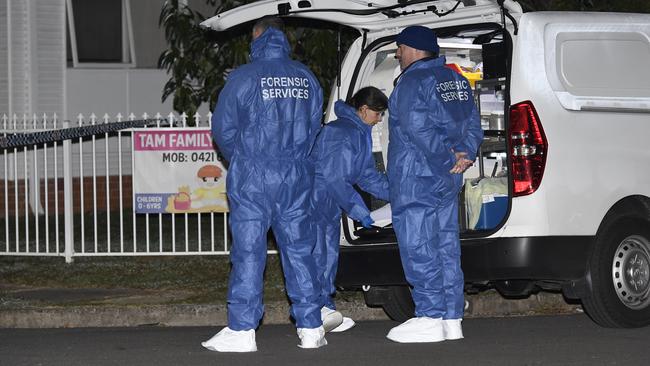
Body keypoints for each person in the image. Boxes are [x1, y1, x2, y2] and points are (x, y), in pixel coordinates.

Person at [202, 16, 326, 352]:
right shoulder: (306, 77)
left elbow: (223, 130)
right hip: (296, 173)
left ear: (257, 39)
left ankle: (242, 331)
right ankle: (311, 327)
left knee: (249, 252)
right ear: (283, 40)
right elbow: (315, 124)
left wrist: (242, 158)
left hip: (254, 174)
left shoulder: (243, 77)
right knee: (300, 250)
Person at [385, 26, 483, 343]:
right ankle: (451, 318)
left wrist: (444, 158)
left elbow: (418, 129)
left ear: (413, 49)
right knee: (445, 247)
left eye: (400, 48)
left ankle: (429, 316)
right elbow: (473, 122)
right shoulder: (455, 79)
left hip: (417, 176)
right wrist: (463, 157)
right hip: (448, 177)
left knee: (419, 246)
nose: (398, 54)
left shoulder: (411, 82)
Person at [310, 87, 390, 333]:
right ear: (364, 110)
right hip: (315, 200)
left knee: (327, 256)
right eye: (378, 114)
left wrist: (399, 194)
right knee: (317, 255)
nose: (380, 119)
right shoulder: (341, 132)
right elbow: (335, 178)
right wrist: (360, 211)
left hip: (329, 201)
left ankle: (323, 309)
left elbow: (366, 176)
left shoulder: (358, 131)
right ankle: (315, 313)